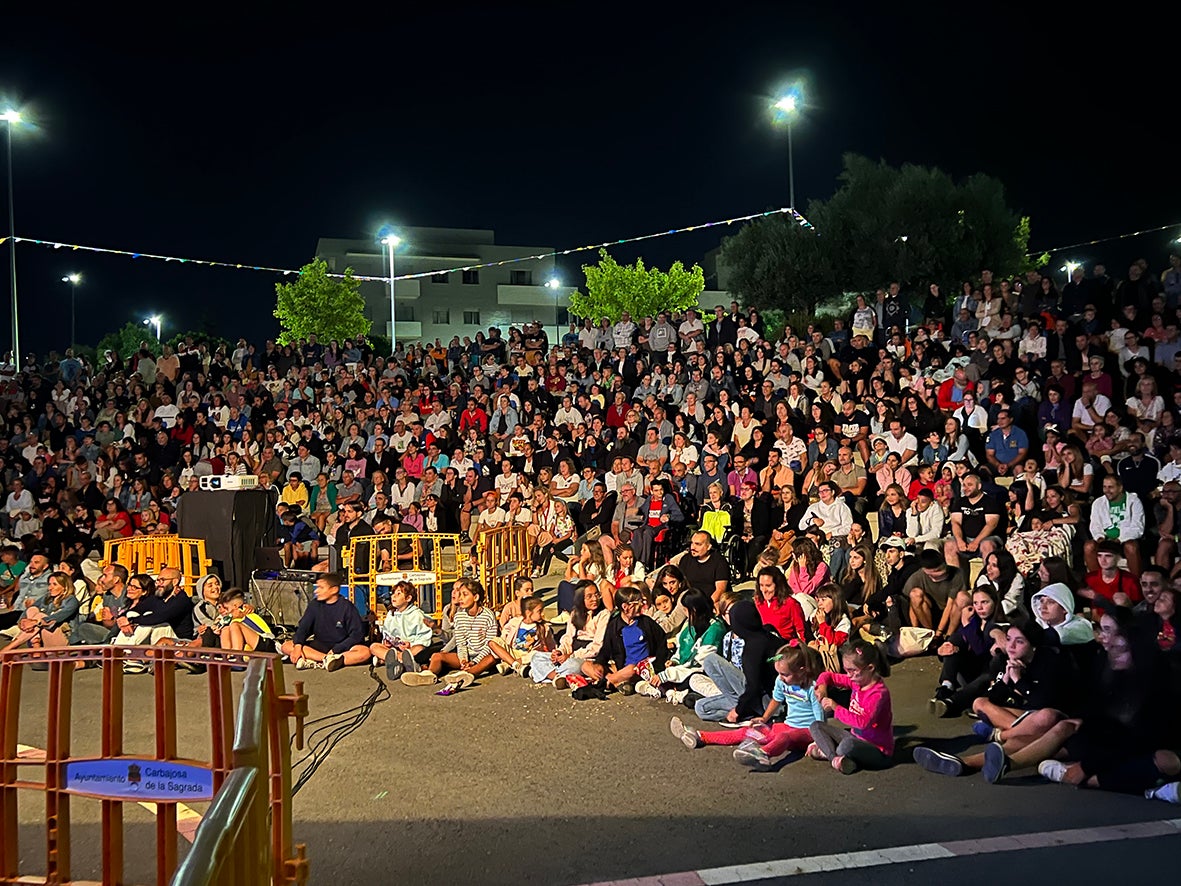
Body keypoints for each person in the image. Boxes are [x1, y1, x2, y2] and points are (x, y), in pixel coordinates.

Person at [669, 643, 826, 771]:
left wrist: (819, 741)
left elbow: (820, 721)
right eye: (779, 673)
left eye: (785, 674)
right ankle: (701, 736)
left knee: (784, 738)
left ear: (802, 670)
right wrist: (764, 718)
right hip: (788, 725)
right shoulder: (781, 682)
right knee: (749, 731)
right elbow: (776, 700)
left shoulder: (813, 689)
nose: (781, 678)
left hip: (808, 732)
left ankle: (762, 754)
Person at [809, 640, 894, 774]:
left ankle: (830, 751)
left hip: (876, 749)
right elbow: (827, 675)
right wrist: (822, 687)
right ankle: (835, 759)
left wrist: (836, 707)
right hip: (855, 737)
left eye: (852, 670)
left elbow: (863, 723)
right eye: (846, 670)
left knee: (847, 746)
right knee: (816, 726)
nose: (849, 675)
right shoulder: (857, 681)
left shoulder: (877, 693)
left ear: (870, 668)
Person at [402, 578, 499, 693]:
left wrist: (474, 661)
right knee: (437, 656)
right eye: (460, 594)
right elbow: (461, 642)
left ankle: (467, 674)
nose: (460, 598)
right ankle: (428, 675)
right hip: (466, 655)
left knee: (493, 657)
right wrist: (463, 660)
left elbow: (490, 643)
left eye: (465, 594)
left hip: (483, 655)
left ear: (476, 597)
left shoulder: (488, 615)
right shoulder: (459, 616)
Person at [690, 599, 778, 724]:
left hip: (766, 701)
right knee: (701, 707)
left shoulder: (754, 646)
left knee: (711, 660)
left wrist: (738, 710)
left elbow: (753, 686)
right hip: (745, 697)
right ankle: (747, 714)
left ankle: (744, 714)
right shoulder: (762, 636)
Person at [928, 586, 1008, 717]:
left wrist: (965, 623)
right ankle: (947, 687)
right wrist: (943, 649)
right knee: (954, 643)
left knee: (987, 675)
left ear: (995, 602)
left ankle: (951, 703)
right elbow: (961, 640)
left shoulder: (1000, 624)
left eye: (985, 602)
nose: (979, 607)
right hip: (971, 672)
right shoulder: (975, 621)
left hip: (989, 677)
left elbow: (980, 649)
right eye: (976, 603)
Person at [582, 585, 668, 693]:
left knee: (631, 669)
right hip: (620, 667)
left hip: (640, 669)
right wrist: (599, 664)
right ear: (625, 606)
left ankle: (606, 681)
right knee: (586, 665)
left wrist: (658, 667)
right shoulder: (614, 625)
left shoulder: (646, 623)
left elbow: (662, 643)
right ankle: (617, 682)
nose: (642, 605)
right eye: (637, 603)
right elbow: (606, 649)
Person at [280, 572, 369, 672]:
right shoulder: (314, 605)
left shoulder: (347, 607)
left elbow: (357, 635)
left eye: (321, 588)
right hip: (318, 647)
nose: (316, 591)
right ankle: (326, 660)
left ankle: (315, 661)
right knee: (286, 646)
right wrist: (297, 646)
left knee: (365, 652)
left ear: (334, 590)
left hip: (341, 649)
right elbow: (303, 628)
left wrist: (336, 649)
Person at [530, 580, 610, 689]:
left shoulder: (603, 614)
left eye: (597, 594)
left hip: (585, 656)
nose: (595, 599)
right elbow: (568, 637)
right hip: (570, 652)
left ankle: (548, 673)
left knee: (574, 665)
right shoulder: (574, 613)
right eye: (589, 596)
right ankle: (558, 677)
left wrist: (570, 656)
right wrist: (560, 652)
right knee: (536, 657)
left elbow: (597, 646)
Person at [368, 580, 434, 677]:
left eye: (398, 594)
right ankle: (400, 661)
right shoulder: (391, 614)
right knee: (374, 647)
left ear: (408, 598)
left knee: (419, 648)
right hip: (396, 647)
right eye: (393, 593)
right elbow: (386, 632)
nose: (393, 596)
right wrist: (386, 642)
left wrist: (411, 644)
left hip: (411, 647)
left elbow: (425, 636)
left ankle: (392, 661)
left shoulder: (417, 614)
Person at [1084, 476, 1145, 578]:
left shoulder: (1134, 501)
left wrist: (1119, 539)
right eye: (1105, 487)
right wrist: (1100, 538)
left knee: (1131, 547)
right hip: (1105, 540)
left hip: (1125, 540)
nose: (1107, 491)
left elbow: (1138, 527)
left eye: (1110, 487)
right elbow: (1095, 525)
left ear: (1120, 488)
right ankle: (1098, 582)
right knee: (1089, 546)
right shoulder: (1098, 502)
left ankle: (1136, 583)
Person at [490, 595, 555, 676]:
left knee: (535, 654)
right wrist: (502, 647)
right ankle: (515, 664)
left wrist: (554, 653)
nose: (542, 614)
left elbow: (550, 643)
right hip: (513, 651)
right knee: (493, 642)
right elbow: (504, 634)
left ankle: (509, 664)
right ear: (528, 613)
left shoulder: (544, 627)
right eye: (539, 611)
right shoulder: (514, 622)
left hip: (527, 655)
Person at [809, 584, 851, 673]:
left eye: (823, 600)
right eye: (818, 600)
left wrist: (822, 624)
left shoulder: (843, 621)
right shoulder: (815, 614)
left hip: (836, 657)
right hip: (820, 653)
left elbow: (833, 642)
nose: (819, 603)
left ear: (835, 601)